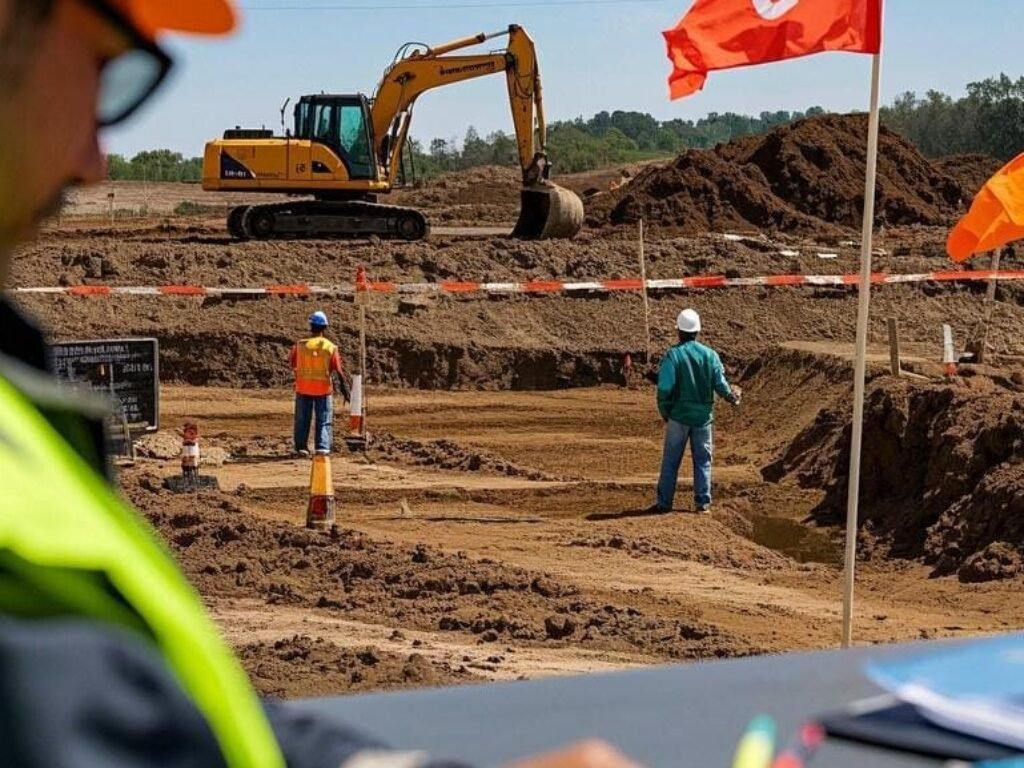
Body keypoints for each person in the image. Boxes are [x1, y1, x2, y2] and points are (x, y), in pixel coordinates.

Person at [0, 1, 639, 766]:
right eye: (105, 71)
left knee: (311, 436)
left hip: (304, 417)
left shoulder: (26, 414)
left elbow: (181, 717)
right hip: (314, 413)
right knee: (316, 440)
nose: (94, 161)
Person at [648, 308, 741, 515]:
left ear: (679, 331)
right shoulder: (710, 355)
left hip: (678, 417)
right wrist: (732, 397)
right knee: (703, 461)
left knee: (671, 461)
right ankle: (703, 504)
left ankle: (664, 504)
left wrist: (666, 411)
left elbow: (664, 389)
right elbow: (720, 384)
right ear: (697, 331)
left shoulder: (673, 356)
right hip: (703, 419)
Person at [290, 310, 350, 456]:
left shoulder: (300, 345)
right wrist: (345, 388)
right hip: (323, 389)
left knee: (302, 420)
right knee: (324, 419)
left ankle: (301, 447)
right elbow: (337, 369)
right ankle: (322, 446)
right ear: (325, 328)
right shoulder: (330, 347)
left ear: (311, 326)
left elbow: (292, 363)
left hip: (303, 388)